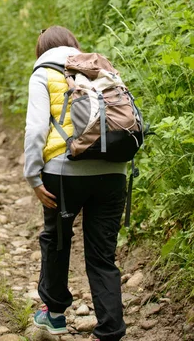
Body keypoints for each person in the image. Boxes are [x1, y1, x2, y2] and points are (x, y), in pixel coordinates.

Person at [24, 26, 127, 341]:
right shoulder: (98, 68)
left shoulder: (43, 72)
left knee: (57, 239)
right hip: (114, 171)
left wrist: (32, 175)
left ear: (41, 49)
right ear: (73, 45)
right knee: (102, 254)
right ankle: (110, 330)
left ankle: (54, 315)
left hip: (64, 172)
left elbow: (37, 129)